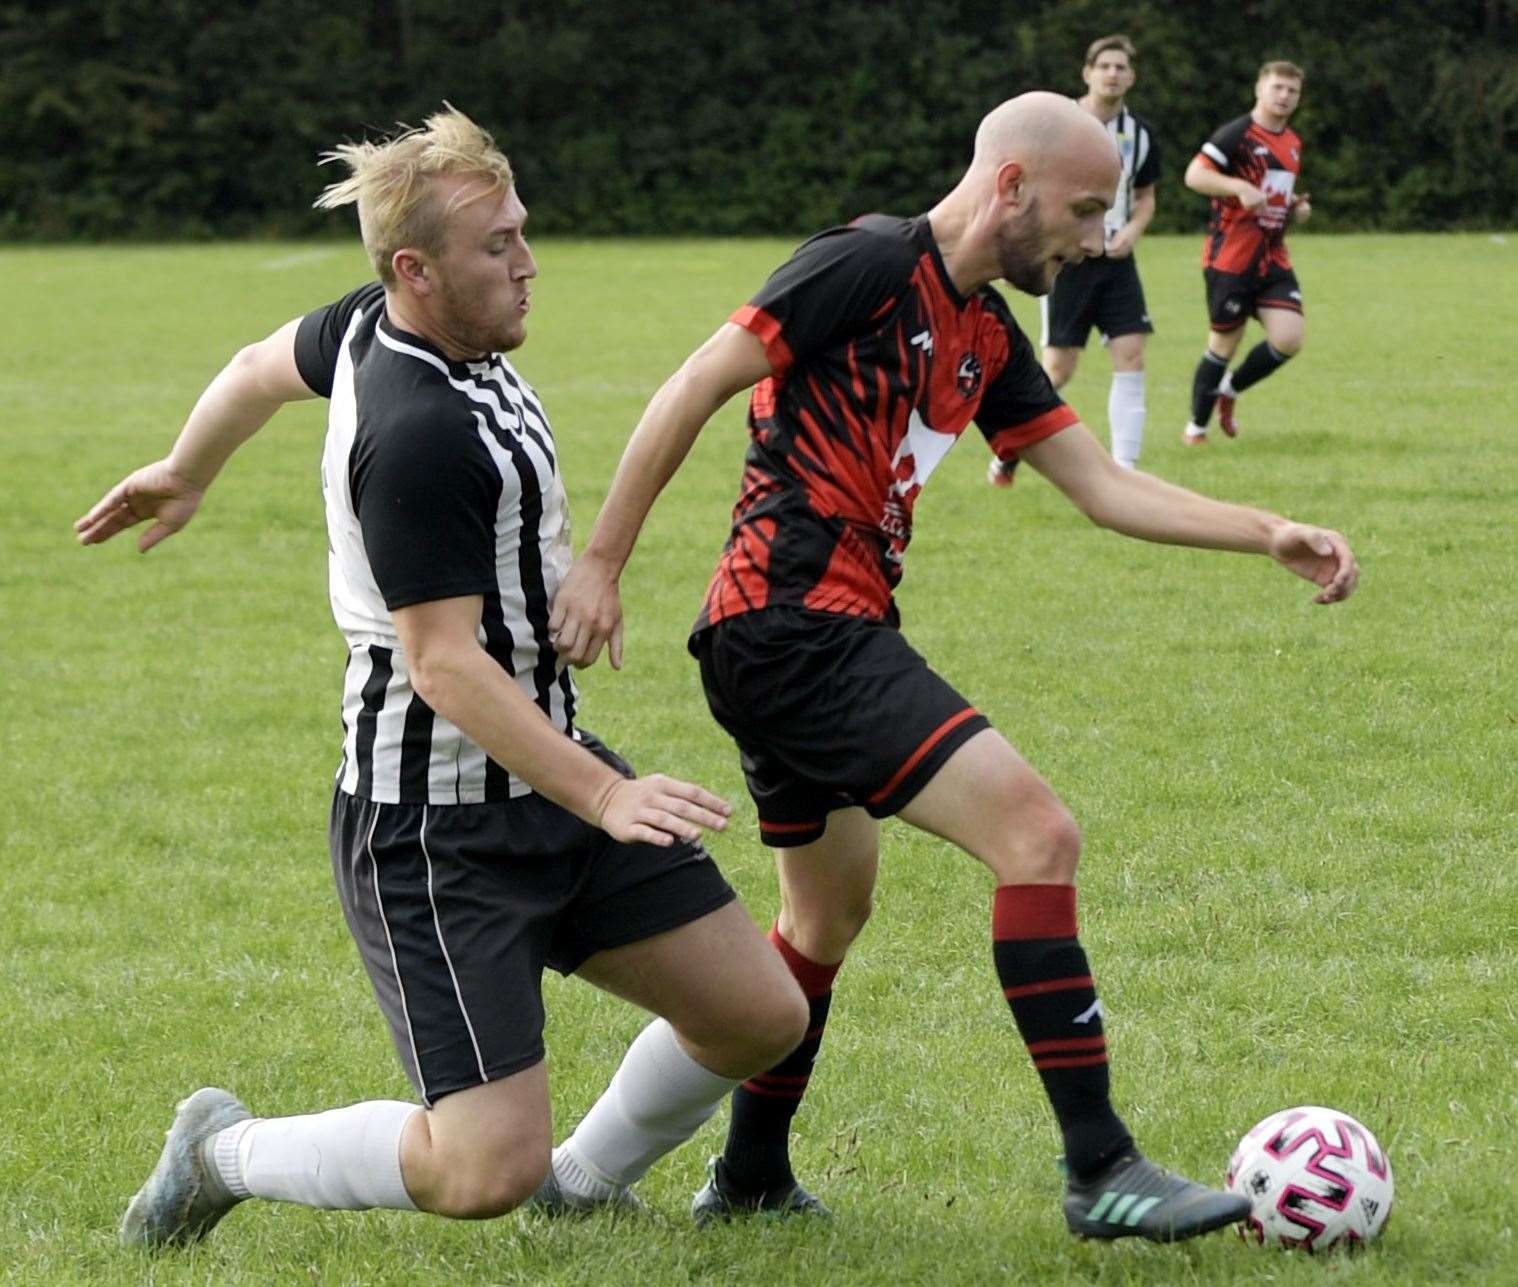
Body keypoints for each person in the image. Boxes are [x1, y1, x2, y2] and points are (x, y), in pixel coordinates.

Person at [544, 92, 1358, 1242]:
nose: (1092, 239)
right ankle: (1100, 1168)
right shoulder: (869, 264)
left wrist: (1262, 529)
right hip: (793, 625)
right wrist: (604, 563)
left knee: (823, 921)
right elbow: (696, 383)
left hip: (796, 637)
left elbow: (1102, 486)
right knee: (1038, 835)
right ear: (1010, 187)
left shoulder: (985, 331)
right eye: (1082, 210)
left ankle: (750, 1178)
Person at [77, 106, 808, 1248]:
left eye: (520, 232)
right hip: (435, 828)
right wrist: (609, 797)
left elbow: (252, 368)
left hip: (541, 774)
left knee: (760, 1014)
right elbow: (442, 665)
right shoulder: (419, 430)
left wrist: (185, 468)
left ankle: (585, 1181)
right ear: (415, 271)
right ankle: (219, 1152)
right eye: (496, 247)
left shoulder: (382, 325)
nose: (527, 264)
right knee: (477, 1171)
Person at [988, 33, 1158, 488]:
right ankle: (1009, 449)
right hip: (1068, 257)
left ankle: (1126, 471)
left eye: (1121, 67)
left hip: (1117, 259)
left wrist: (1130, 232)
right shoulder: (1059, 126)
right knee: (1059, 368)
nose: (1113, 74)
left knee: (1131, 352)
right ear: (1087, 73)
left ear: (1132, 77)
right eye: (1105, 66)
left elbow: (1145, 198)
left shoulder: (1139, 135)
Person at [1182, 60, 1311, 444]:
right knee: (1223, 344)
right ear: (1260, 89)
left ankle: (1230, 390)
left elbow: (1274, 198)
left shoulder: (1292, 143)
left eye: (1292, 91)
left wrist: (1295, 209)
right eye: (1278, 88)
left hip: (1272, 259)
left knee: (1289, 338)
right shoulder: (1236, 135)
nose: (1284, 96)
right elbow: (1195, 175)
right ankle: (1196, 429)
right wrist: (1237, 187)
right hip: (1231, 260)